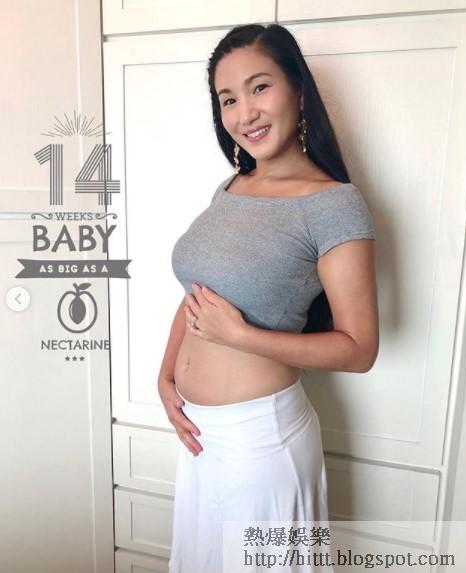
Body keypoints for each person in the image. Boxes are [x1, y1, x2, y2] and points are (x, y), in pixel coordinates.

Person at [158, 23, 379, 573]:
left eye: (260, 87)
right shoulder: (230, 187)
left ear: (298, 90)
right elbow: (197, 297)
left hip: (261, 445)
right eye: (228, 99)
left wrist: (242, 336)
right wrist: (166, 378)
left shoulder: (333, 204)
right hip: (201, 439)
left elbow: (359, 349)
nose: (245, 113)